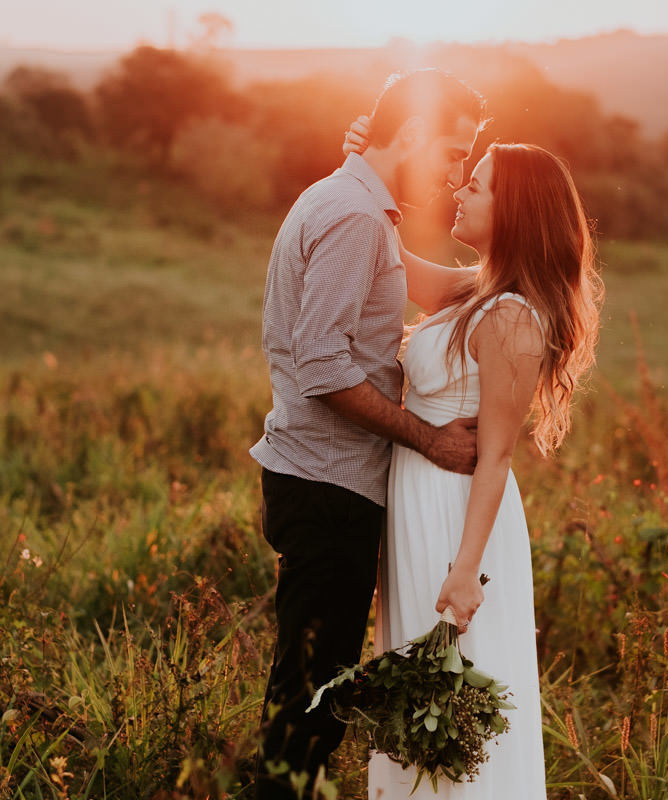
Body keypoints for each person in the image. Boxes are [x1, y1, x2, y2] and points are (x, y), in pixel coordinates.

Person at [343, 120, 603, 798]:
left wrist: (465, 572)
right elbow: (389, 257)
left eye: (477, 185)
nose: (460, 189)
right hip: (418, 504)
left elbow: (495, 458)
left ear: (512, 211)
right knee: (417, 695)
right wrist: (363, 165)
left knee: (451, 700)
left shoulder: (514, 317)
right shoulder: (478, 290)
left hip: (459, 521)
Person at [249, 69, 490, 800]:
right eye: (452, 153)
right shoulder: (354, 215)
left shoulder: (356, 204)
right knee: (309, 706)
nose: (454, 175)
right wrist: (429, 438)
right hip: (327, 488)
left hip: (319, 479)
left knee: (309, 694)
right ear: (410, 135)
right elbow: (323, 365)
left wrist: (524, 261)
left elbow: (435, 286)